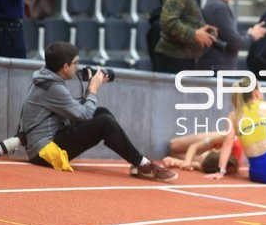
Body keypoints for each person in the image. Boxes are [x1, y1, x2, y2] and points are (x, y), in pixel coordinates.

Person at [20, 41, 176, 181]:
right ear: (65, 67)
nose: (77, 67)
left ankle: (138, 163)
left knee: (102, 112)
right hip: (45, 152)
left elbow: (76, 111)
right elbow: (83, 115)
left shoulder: (47, 79)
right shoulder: (54, 87)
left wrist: (90, 90)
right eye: (75, 63)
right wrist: (93, 89)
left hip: (46, 142)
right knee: (104, 123)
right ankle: (143, 164)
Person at [197, 0, 266, 71]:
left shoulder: (216, 4)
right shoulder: (219, 8)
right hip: (216, 71)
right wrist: (252, 35)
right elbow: (235, 42)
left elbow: (229, 37)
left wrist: (248, 34)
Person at [163, 132, 242, 172]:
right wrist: (187, 162)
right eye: (201, 158)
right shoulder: (226, 139)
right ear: (214, 150)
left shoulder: (229, 166)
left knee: (175, 154)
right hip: (216, 138)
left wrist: (177, 162)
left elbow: (201, 166)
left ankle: (194, 158)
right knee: (173, 145)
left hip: (218, 157)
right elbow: (194, 146)